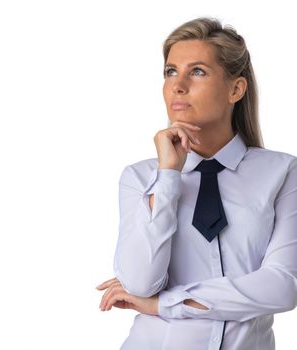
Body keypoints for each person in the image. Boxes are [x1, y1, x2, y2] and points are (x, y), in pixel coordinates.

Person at [95, 17, 297, 350]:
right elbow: (140, 283)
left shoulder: (283, 173)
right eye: (171, 71)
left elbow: (283, 286)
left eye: (198, 72)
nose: (178, 85)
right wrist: (168, 177)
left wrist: (166, 305)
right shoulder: (140, 178)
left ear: (236, 89)